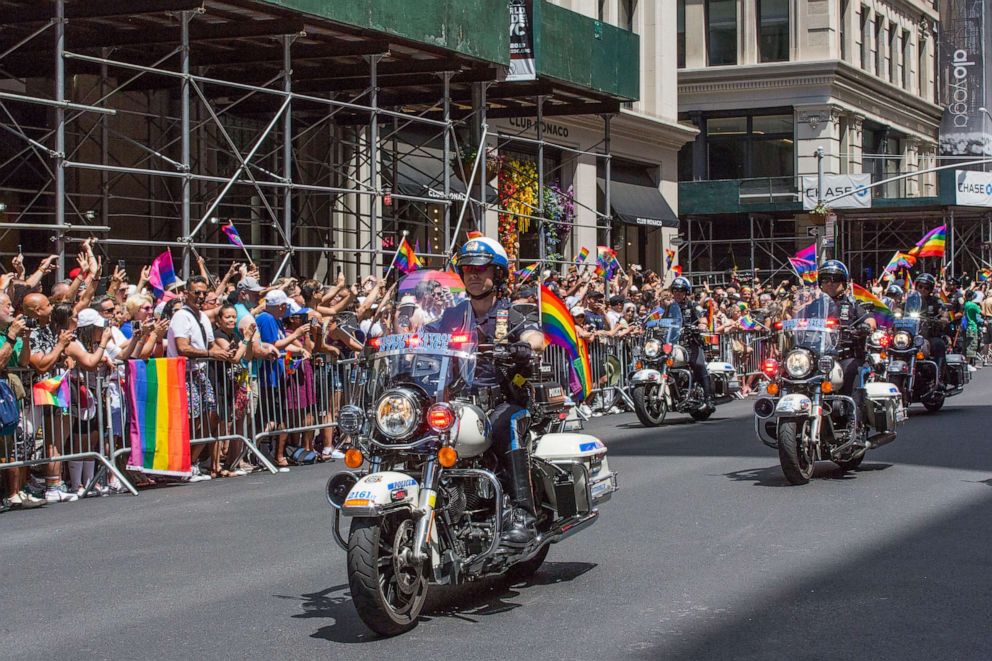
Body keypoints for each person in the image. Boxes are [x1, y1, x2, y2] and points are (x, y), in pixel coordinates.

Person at [429, 237, 545, 548]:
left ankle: (524, 515)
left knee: (506, 424)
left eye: (481, 269)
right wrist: (402, 341)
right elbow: (426, 334)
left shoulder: (512, 313)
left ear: (499, 274)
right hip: (459, 403)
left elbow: (536, 336)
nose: (473, 275)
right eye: (467, 269)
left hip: (504, 400)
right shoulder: (455, 315)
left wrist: (525, 345)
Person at [816, 260, 873, 397]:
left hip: (845, 355)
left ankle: (852, 414)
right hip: (817, 356)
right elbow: (796, 319)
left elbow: (870, 320)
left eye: (834, 279)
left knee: (851, 370)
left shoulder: (853, 305)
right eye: (825, 280)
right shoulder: (813, 306)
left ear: (843, 282)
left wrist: (866, 327)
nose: (829, 283)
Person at [668, 277, 715, 412]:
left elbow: (703, 317)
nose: (677, 293)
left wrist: (702, 324)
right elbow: (662, 321)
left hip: (691, 341)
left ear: (686, 292)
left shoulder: (693, 305)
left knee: (699, 364)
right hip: (674, 343)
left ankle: (708, 399)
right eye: (675, 290)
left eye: (681, 290)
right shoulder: (670, 307)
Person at [913, 272, 949, 382]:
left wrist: (942, 319)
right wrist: (895, 314)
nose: (923, 289)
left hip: (930, 335)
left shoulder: (936, 301)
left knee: (939, 345)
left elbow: (944, 315)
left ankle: (938, 377)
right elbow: (899, 310)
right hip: (912, 336)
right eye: (920, 286)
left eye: (926, 288)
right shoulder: (911, 300)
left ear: (930, 289)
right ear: (916, 286)